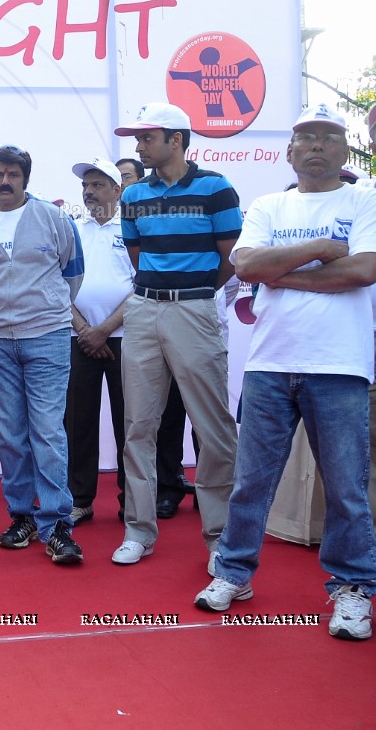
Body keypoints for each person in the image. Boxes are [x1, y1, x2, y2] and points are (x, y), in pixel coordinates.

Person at [194, 104, 376, 641]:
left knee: (347, 488)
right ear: (289, 151)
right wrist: (321, 251)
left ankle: (353, 589)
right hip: (270, 365)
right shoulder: (268, 203)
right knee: (252, 483)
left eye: (328, 138)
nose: (317, 146)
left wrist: (281, 271)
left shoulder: (364, 199)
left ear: (345, 151)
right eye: (306, 138)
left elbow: (364, 270)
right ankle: (233, 574)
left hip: (339, 366)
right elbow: (247, 266)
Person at [112, 102, 242, 567]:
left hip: (195, 311)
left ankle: (221, 539)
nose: (139, 145)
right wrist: (160, 293)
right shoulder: (131, 196)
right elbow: (138, 255)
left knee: (213, 429)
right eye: (138, 138)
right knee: (138, 427)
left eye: (148, 137)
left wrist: (197, 292)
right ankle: (139, 531)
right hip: (144, 310)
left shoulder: (216, 188)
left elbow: (231, 258)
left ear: (177, 139)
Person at [0, 145, 85, 565]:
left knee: (47, 430)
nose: (5, 181)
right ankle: (22, 516)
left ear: (25, 179)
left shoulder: (53, 218)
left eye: (13, 174)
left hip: (47, 336)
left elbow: (73, 273)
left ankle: (56, 523)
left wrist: (44, 310)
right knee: (10, 435)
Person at [65, 158, 131, 527]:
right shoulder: (72, 229)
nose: (89, 192)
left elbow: (142, 287)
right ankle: (80, 499)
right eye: (85, 186)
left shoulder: (133, 229)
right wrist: (86, 330)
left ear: (117, 190)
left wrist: (104, 329)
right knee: (78, 422)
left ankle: (132, 500)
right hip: (79, 339)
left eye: (98, 184)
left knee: (130, 422)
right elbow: (60, 284)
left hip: (125, 338)